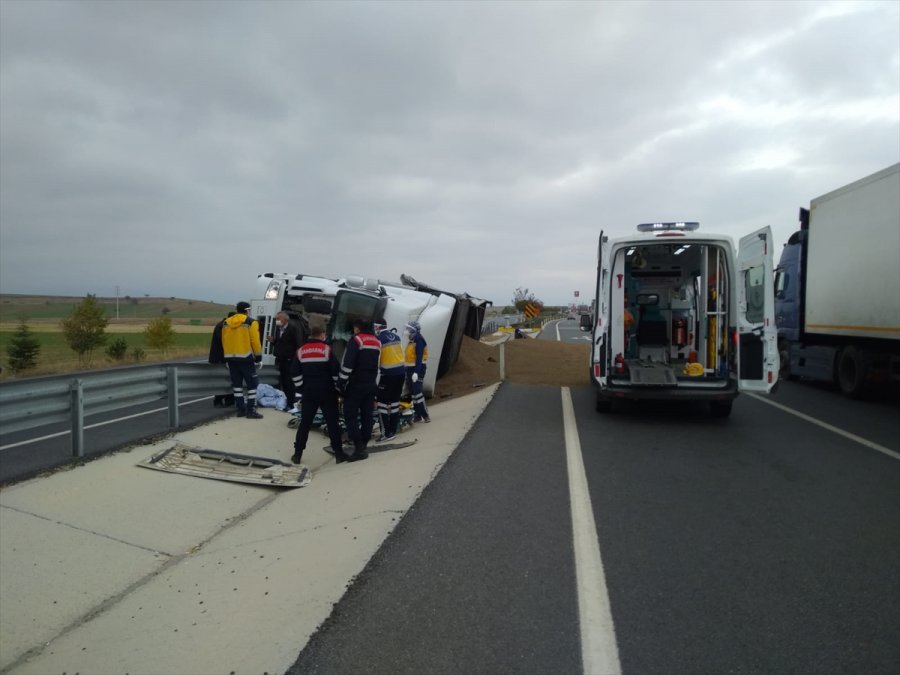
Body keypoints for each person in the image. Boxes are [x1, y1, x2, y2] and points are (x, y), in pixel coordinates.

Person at [290, 324, 347, 464]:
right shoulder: (326, 350)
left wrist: (301, 388)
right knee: (333, 423)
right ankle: (339, 454)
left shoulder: (301, 351)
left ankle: (297, 454)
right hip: (327, 392)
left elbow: (294, 372)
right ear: (322, 334)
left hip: (309, 392)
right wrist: (338, 388)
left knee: (305, 424)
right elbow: (335, 371)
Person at [338, 318, 381, 461]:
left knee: (350, 415)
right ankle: (364, 444)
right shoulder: (376, 341)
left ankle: (359, 448)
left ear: (358, 327)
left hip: (356, 384)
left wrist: (341, 383)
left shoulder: (356, 340)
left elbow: (348, 365)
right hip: (371, 384)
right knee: (367, 416)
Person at [221, 302, 263, 419]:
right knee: (252, 384)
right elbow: (255, 341)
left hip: (230, 358)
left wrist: (226, 357)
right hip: (246, 358)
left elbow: (223, 340)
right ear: (246, 310)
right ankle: (250, 410)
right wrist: (258, 357)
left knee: (237, 385)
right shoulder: (251, 322)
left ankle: (241, 410)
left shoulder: (226, 322)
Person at [374, 322, 405, 442]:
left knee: (381, 403)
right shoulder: (396, 337)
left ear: (377, 327)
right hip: (401, 373)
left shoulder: (378, 339)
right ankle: (393, 429)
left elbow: (377, 359)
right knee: (395, 403)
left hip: (388, 374)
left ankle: (386, 434)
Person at [269, 311, 302, 411]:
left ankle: (291, 403)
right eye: (276, 319)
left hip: (290, 359)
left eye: (279, 319)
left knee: (289, 382)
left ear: (285, 319)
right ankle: (286, 401)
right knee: (283, 381)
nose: (277, 321)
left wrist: (296, 359)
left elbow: (298, 344)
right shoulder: (278, 329)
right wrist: (273, 341)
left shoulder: (293, 329)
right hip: (281, 359)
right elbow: (280, 343)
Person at [404, 320, 430, 423]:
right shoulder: (412, 340)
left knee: (418, 392)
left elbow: (419, 357)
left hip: (418, 369)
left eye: (408, 329)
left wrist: (416, 372)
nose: (406, 331)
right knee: (413, 393)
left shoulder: (419, 340)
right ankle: (417, 415)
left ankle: (425, 415)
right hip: (410, 369)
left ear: (413, 330)